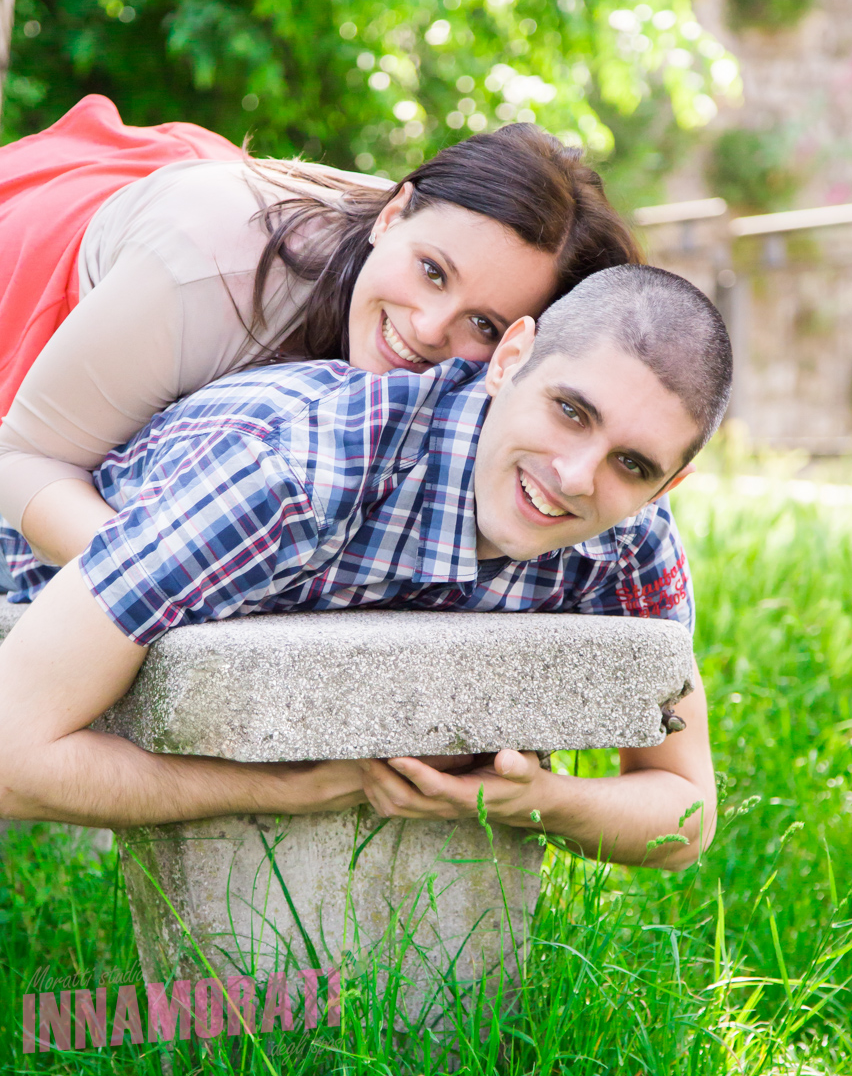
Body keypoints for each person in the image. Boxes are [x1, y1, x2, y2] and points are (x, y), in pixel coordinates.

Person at [0, 265, 731, 870]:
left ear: (665, 486)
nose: (576, 476)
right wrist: (291, 789)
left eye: (632, 464)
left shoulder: (630, 538)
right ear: (510, 360)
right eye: (571, 410)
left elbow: (686, 812)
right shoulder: (301, 473)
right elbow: (10, 755)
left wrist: (532, 800)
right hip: (37, 579)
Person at [0, 95, 640, 574]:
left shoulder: (465, 263)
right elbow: (23, 461)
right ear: (392, 216)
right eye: (432, 273)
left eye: (484, 324)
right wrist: (164, 578)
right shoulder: (201, 277)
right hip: (57, 255)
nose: (426, 328)